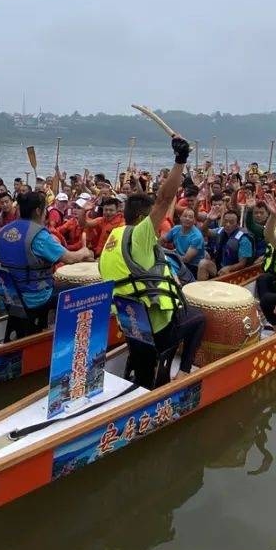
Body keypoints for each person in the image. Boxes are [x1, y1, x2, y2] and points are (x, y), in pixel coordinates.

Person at [98, 135, 205, 389]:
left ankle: (140, 368)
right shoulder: (140, 236)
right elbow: (164, 199)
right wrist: (180, 160)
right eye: (152, 220)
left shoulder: (113, 237)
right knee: (198, 319)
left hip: (131, 324)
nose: (156, 226)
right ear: (143, 218)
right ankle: (184, 372)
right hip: (157, 326)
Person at [0, 191, 93, 331]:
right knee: (85, 290)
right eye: (45, 208)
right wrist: (84, 252)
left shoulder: (5, 230)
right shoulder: (39, 235)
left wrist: (13, 259)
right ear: (38, 210)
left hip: (12, 295)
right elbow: (70, 259)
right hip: (36, 296)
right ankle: (66, 333)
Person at [197, 210, 253, 280]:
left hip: (234, 271)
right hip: (219, 266)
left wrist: (229, 268)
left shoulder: (244, 239)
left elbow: (242, 264)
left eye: (231, 222)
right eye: (225, 221)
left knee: (223, 272)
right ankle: (201, 289)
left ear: (237, 224)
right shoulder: (221, 230)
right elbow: (204, 232)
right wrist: (209, 220)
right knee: (203, 263)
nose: (227, 224)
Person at [161, 208, 205, 280]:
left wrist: (170, 255)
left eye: (190, 217)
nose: (187, 219)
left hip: (192, 266)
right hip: (179, 261)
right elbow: (162, 240)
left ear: (194, 221)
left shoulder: (197, 236)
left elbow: (186, 259)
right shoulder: (175, 229)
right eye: (185, 216)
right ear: (180, 218)